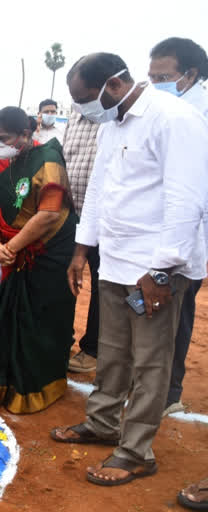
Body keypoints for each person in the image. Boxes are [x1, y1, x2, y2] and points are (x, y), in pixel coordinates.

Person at [51, 53, 208, 487]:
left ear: (114, 85)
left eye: (85, 99)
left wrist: (160, 269)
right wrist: (82, 250)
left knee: (151, 362)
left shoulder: (173, 119)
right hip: (116, 263)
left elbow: (186, 197)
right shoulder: (112, 124)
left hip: (154, 271)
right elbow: (100, 190)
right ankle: (103, 423)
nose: (82, 109)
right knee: (113, 351)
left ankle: (136, 451)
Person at [0, 106, 77, 413]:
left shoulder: (49, 161)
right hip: (10, 250)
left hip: (48, 252)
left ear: (26, 135)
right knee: (6, 315)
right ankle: (2, 381)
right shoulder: (0, 163)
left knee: (40, 319)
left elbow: (49, 214)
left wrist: (12, 246)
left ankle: (37, 384)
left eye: (3, 138)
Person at [149, 36, 208, 418]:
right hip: (158, 234)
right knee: (154, 315)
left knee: (177, 314)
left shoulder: (197, 114)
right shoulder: (169, 109)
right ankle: (155, 388)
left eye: (163, 76)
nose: (154, 85)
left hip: (185, 238)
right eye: (150, 76)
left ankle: (168, 392)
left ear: (190, 74)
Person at [64, 109, 101, 374]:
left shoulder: (112, 120)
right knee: (64, 281)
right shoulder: (73, 119)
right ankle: (62, 339)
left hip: (103, 219)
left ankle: (93, 349)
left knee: (102, 287)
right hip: (69, 216)